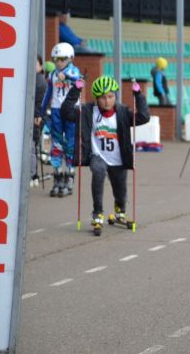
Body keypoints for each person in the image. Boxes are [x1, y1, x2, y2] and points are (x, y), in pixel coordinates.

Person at [60, 76, 150, 235]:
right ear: (96, 98)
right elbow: (66, 112)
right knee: (98, 171)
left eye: (110, 97)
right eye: (103, 97)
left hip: (118, 158)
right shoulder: (88, 111)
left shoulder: (122, 112)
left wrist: (138, 95)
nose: (107, 101)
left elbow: (144, 117)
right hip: (97, 155)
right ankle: (97, 212)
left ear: (115, 96)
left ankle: (120, 211)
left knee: (120, 189)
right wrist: (76, 89)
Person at [37, 42, 82, 197]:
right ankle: (58, 177)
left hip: (71, 111)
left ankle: (69, 178)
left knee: (70, 145)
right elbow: (48, 94)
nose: (59, 62)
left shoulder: (74, 71)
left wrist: (68, 75)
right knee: (56, 145)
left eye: (62, 59)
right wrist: (40, 113)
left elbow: (79, 80)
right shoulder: (52, 74)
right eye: (56, 59)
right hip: (56, 111)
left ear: (70, 58)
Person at [31, 55, 48, 187]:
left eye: (35, 63)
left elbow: (39, 102)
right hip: (37, 117)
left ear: (40, 66)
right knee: (33, 145)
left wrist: (38, 115)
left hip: (36, 117)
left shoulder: (39, 81)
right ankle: (32, 174)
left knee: (32, 146)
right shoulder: (37, 80)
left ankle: (32, 174)